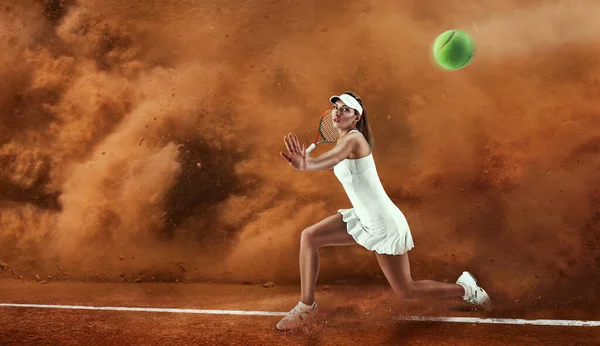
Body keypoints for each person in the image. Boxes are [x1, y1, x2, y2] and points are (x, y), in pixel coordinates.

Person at [276, 91, 492, 331]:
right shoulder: (345, 142)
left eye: (345, 109)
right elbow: (337, 164)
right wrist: (308, 165)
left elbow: (334, 158)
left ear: (356, 117)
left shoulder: (354, 139)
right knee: (310, 236)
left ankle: (466, 290)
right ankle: (307, 308)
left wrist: (308, 164)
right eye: (336, 107)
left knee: (407, 291)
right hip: (363, 217)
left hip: (384, 222)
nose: (338, 112)